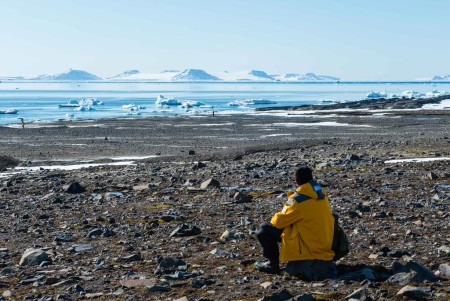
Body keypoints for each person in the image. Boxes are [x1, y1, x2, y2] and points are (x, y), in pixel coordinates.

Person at [256, 167, 337, 280]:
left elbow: (278, 222)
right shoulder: (322, 195)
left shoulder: (298, 200)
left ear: (296, 181)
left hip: (308, 247)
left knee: (264, 230)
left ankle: (272, 265)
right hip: (324, 243)